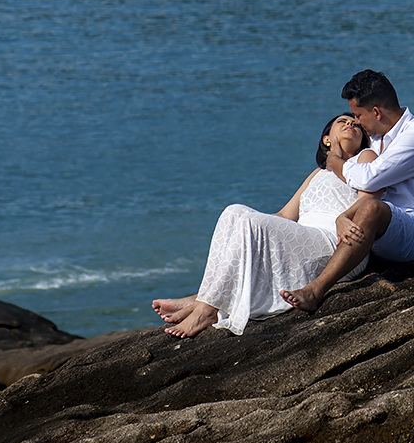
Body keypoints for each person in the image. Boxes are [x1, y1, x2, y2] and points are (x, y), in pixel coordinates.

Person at [153, 113, 377, 338]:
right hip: (306, 237)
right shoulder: (318, 174)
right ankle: (205, 299)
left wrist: (253, 225)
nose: (350, 124)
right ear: (326, 139)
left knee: (250, 222)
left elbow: (369, 197)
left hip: (336, 242)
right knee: (235, 212)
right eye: (343, 122)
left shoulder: (365, 157)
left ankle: (204, 308)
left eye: (356, 124)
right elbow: (284, 215)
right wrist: (242, 229)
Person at [280, 69, 414, 313]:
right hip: (382, 233)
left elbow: (369, 179)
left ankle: (315, 290)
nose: (355, 121)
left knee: (371, 208)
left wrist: (335, 163)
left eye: (358, 115)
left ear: (376, 112)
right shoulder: (376, 137)